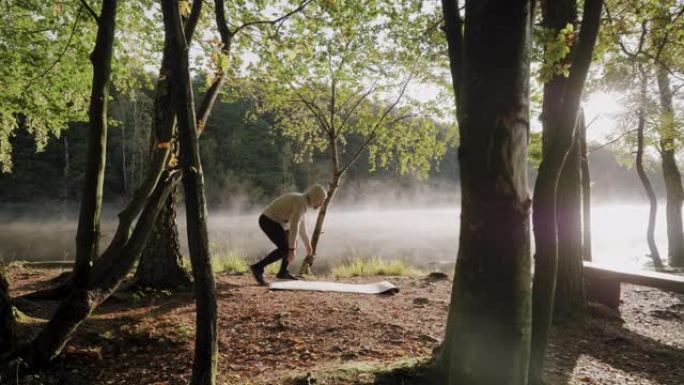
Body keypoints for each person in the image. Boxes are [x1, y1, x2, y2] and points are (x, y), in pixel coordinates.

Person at [250, 184, 327, 285]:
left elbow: (302, 228)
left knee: (292, 243)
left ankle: (282, 273)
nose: (322, 204)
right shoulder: (301, 203)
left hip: (277, 222)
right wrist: (291, 250)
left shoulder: (304, 203)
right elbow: (294, 226)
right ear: (316, 198)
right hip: (267, 221)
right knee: (285, 248)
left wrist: (308, 245)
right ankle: (257, 268)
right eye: (322, 201)